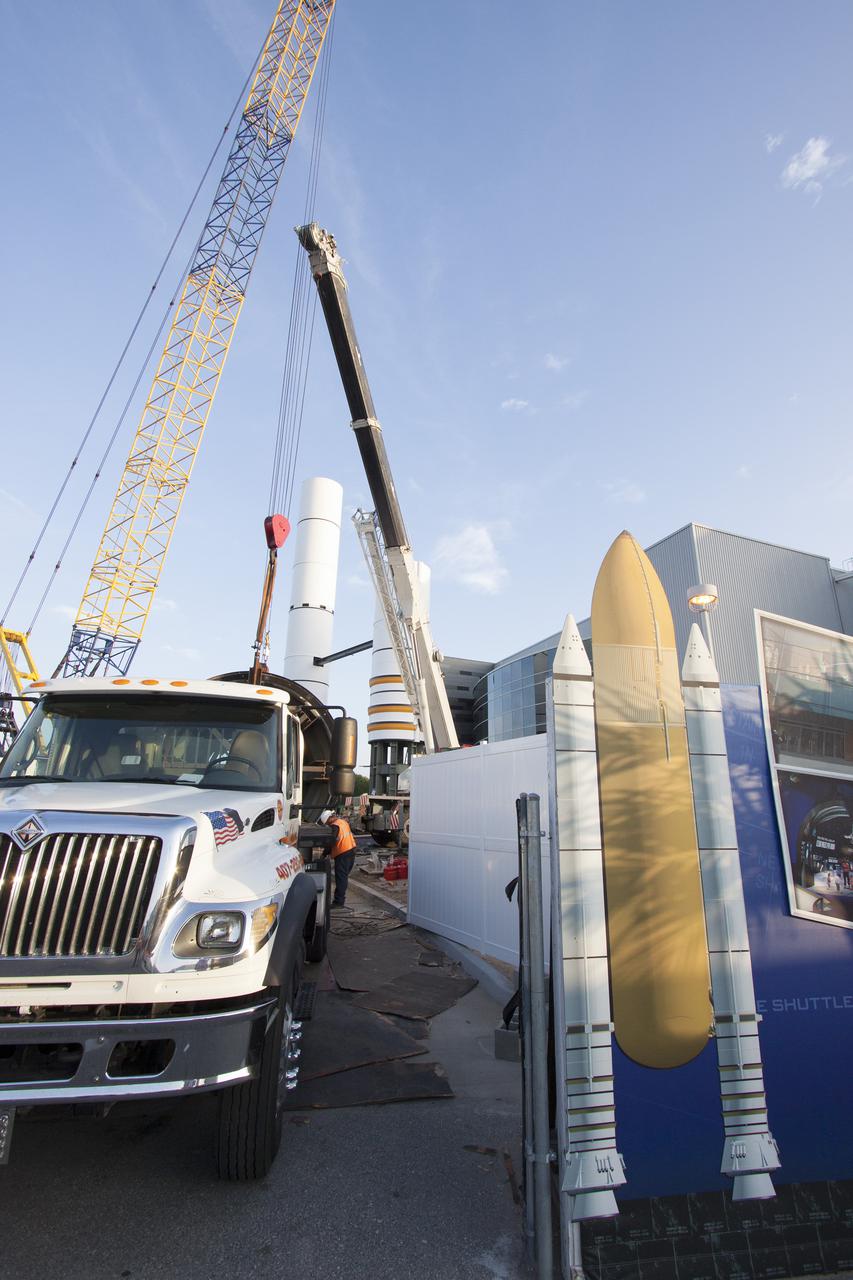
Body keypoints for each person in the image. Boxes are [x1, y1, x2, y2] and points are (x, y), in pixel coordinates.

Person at [320, 808, 357, 908]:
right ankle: (340, 900)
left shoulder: (335, 826)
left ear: (329, 819)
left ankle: (338, 902)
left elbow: (331, 842)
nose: (328, 825)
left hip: (343, 853)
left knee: (341, 878)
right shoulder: (342, 822)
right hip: (351, 850)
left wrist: (324, 854)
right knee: (343, 877)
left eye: (327, 823)